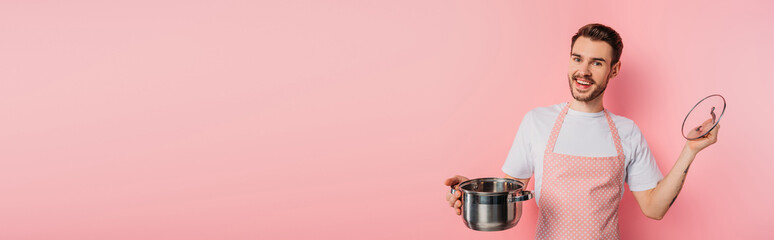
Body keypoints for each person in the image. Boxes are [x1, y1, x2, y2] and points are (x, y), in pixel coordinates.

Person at [443, 23, 720, 239]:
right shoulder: (536, 122)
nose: (583, 71)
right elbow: (509, 193)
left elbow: (654, 208)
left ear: (614, 70)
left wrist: (690, 150)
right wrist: (473, 195)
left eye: (597, 63)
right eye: (577, 59)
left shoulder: (628, 132)